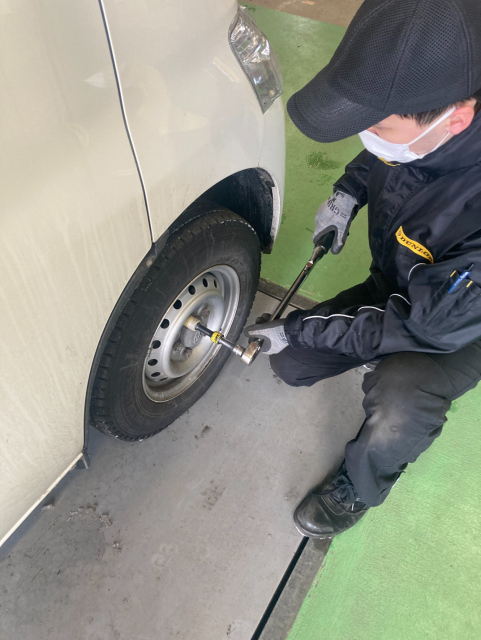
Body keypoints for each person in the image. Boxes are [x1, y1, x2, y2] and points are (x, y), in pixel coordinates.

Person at [244, 0, 481, 539]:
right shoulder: (430, 111)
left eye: (375, 125)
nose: (366, 136)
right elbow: (394, 151)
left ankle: (364, 483)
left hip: (457, 326)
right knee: (293, 365)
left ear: (457, 119)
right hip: (404, 281)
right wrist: (349, 193)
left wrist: (300, 327)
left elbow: (422, 325)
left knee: (402, 393)